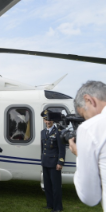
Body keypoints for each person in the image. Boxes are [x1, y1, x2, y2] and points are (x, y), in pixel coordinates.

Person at [68, 80, 106, 210]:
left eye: (85, 116)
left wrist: (80, 155)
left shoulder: (90, 128)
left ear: (89, 100)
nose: (87, 120)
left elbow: (90, 198)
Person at [40, 109, 65, 212]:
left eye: (49, 120)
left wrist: (60, 162)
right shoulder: (43, 132)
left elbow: (61, 149)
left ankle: (58, 207)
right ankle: (50, 204)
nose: (48, 122)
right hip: (45, 162)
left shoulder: (58, 132)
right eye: (46, 119)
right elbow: (43, 148)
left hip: (55, 164)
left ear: (53, 120)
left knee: (56, 187)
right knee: (47, 186)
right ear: (44, 120)